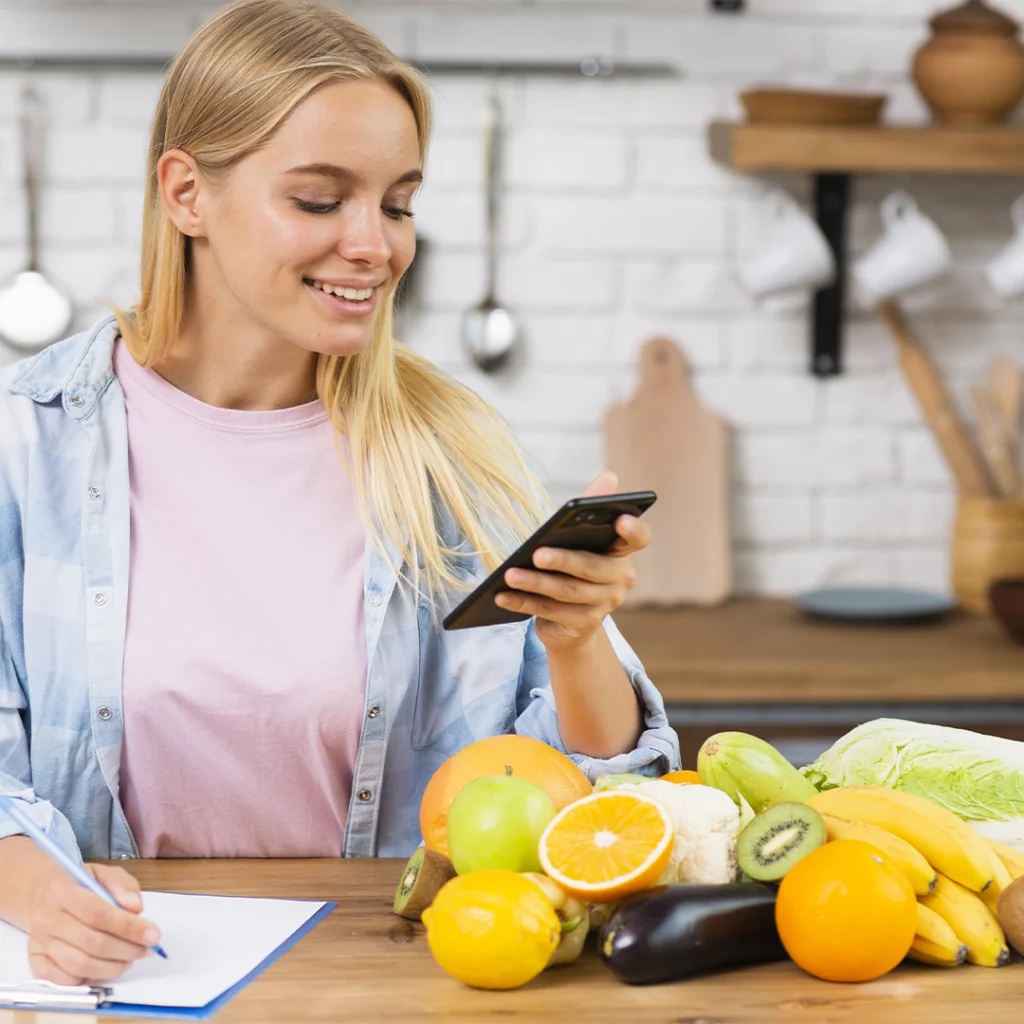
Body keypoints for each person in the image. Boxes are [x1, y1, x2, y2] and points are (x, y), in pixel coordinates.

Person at [0, 0, 680, 987]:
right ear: (186, 192)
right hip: (113, 983)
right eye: (321, 200)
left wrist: (575, 643)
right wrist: (22, 877)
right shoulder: (28, 442)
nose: (375, 244)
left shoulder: (447, 455)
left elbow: (593, 814)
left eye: (398, 203)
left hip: (387, 981)